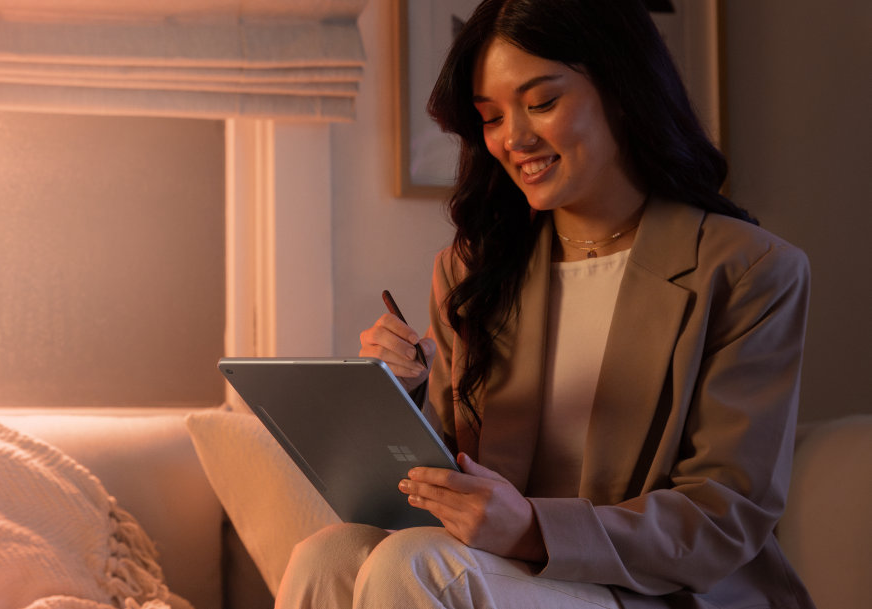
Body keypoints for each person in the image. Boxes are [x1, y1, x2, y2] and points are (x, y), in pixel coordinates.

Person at [274, 0, 815, 608]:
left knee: (417, 564)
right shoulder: (471, 271)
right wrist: (400, 395)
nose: (514, 138)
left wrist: (533, 528)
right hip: (506, 573)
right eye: (492, 116)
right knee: (325, 553)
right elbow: (454, 472)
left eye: (541, 103)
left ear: (621, 89)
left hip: (656, 591)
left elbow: (725, 513)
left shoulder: (751, 270)